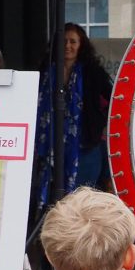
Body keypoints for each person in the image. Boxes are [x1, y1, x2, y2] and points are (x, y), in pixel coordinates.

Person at [32, 23, 114, 215]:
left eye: (73, 41)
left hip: (84, 146)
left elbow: (113, 97)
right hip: (50, 148)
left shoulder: (93, 71)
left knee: (83, 200)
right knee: (54, 203)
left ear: (81, 44)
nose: (67, 45)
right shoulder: (45, 70)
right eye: (63, 41)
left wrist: (101, 125)